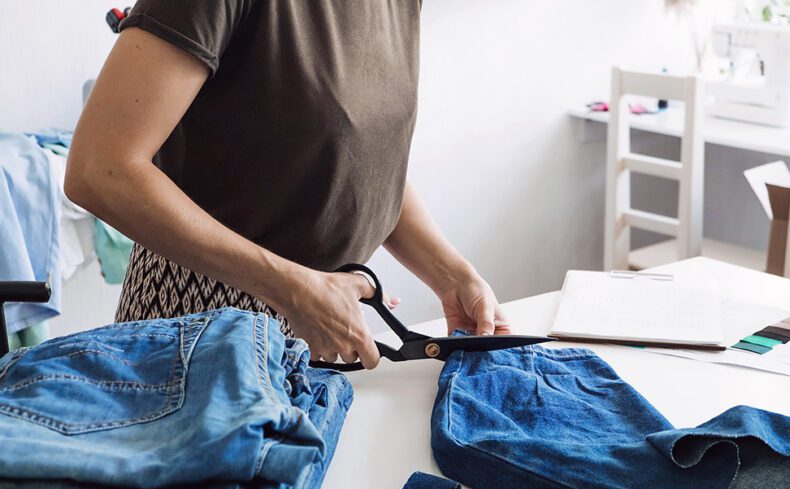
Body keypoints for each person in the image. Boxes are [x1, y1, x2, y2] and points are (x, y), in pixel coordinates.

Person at [65, 0, 509, 369]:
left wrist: (452, 276)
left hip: (325, 321)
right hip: (199, 321)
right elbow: (100, 169)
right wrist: (293, 288)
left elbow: (358, 161)